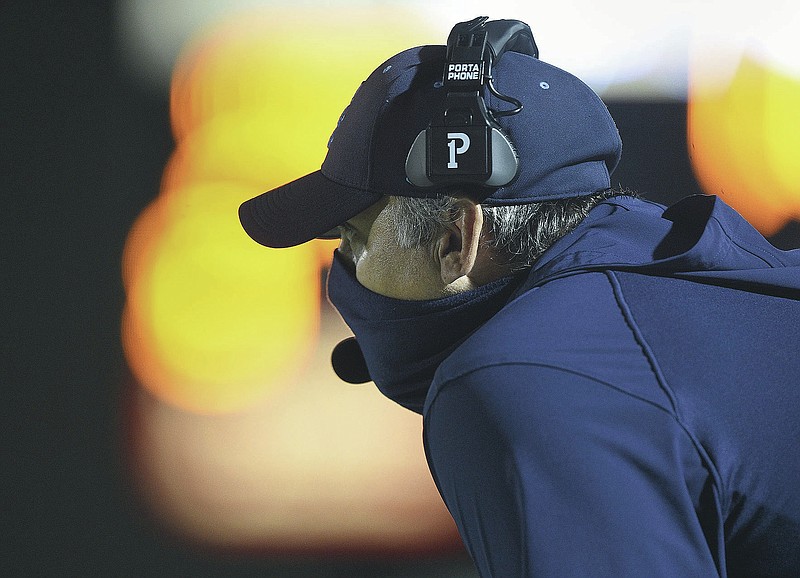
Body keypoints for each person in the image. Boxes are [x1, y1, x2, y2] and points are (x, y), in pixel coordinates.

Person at [238, 17, 800, 577]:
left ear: (456, 239)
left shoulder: (525, 377)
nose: (344, 274)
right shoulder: (709, 282)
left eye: (356, 238)